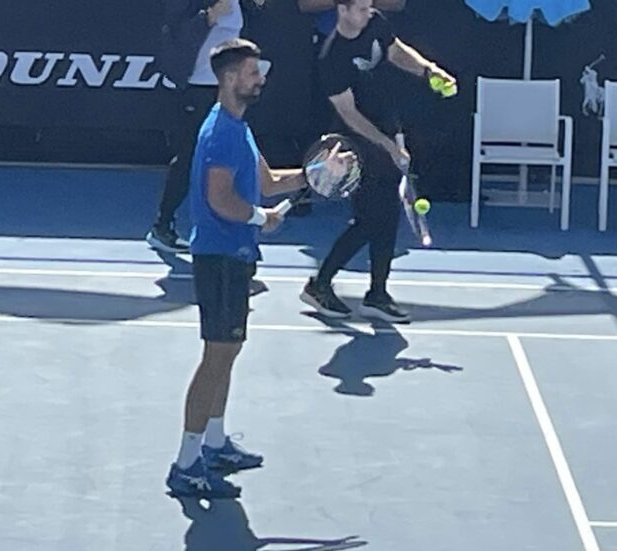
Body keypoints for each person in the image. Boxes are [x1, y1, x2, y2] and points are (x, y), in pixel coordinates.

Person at [166, 38, 310, 499]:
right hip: (219, 258)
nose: (260, 79)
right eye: (253, 72)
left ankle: (214, 442)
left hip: (235, 257)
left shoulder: (239, 127)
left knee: (227, 353)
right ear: (230, 79)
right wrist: (259, 218)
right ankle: (186, 463)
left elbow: (266, 181)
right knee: (215, 358)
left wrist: (315, 172)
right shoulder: (222, 133)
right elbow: (219, 199)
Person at [299, 0, 455, 323]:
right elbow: (349, 114)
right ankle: (320, 284)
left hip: (386, 128)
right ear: (342, 11)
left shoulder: (375, 22)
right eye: (360, 9)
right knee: (370, 220)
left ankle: (377, 294)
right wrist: (387, 146)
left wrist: (428, 70)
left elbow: (395, 52)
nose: (368, 13)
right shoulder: (331, 58)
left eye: (369, 7)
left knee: (387, 216)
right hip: (354, 144)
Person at [148, 0, 265, 253]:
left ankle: (229, 227)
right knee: (190, 157)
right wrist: (209, 16)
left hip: (224, 87)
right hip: (193, 88)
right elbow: (174, 32)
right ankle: (162, 225)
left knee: (228, 157)